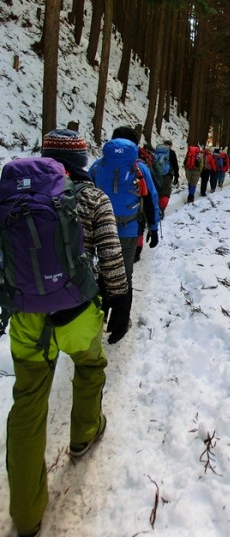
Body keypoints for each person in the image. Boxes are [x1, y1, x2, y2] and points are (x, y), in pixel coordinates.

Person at [5, 128, 130, 537]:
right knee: (90, 367)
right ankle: (84, 433)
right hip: (78, 310)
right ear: (79, 160)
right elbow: (110, 252)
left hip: (27, 317)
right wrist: (120, 300)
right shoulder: (92, 196)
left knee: (28, 405)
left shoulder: (13, 195)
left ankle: (25, 515)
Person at [89, 126, 160, 322]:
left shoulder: (97, 166)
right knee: (124, 275)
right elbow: (151, 199)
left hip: (100, 230)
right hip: (128, 229)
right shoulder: (140, 168)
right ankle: (121, 321)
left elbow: (85, 198)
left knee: (104, 272)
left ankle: (99, 317)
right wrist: (153, 229)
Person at [154, 139, 180, 217]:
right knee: (165, 193)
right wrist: (176, 176)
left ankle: (155, 209)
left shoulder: (157, 151)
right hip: (167, 176)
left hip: (156, 175)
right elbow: (175, 165)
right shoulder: (171, 153)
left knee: (157, 192)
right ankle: (161, 210)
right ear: (171, 145)